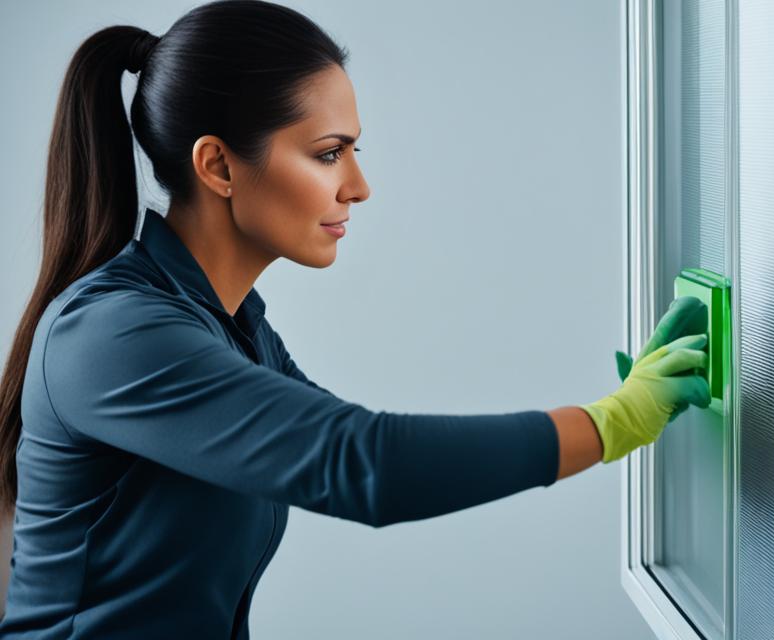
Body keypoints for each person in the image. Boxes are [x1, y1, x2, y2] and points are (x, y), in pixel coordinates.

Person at [0, 1, 710, 637]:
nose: (359, 187)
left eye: (352, 150)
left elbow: (352, 447)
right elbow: (365, 464)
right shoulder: (113, 334)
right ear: (218, 166)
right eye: (328, 154)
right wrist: (612, 422)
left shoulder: (236, 331)